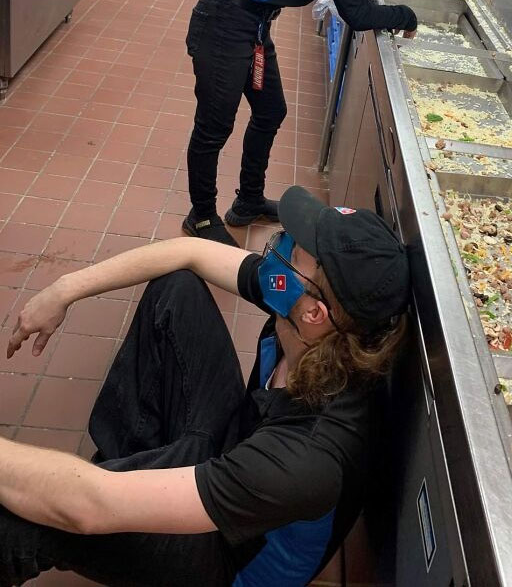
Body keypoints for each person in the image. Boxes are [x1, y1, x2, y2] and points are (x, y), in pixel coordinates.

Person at [0, 186, 411, 587]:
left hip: (227, 560)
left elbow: (89, 507)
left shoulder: (306, 458)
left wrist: (83, 499)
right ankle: (133, 470)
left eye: (294, 247)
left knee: (37, 517)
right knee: (175, 287)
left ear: (314, 312)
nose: (277, 243)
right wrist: (64, 289)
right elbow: (189, 251)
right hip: (236, 451)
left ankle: (122, 495)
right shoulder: (316, 323)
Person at [183, 0, 436, 245]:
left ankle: (248, 200)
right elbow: (355, 10)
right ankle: (200, 216)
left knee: (270, 111)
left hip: (254, 21)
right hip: (226, 19)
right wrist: (406, 16)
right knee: (215, 125)